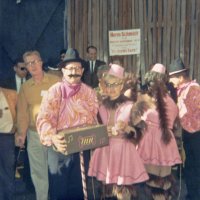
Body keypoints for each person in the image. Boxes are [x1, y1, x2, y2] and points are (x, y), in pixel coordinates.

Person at [36, 48, 98, 200]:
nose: (73, 72)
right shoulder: (54, 91)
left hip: (82, 148)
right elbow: (44, 119)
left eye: (77, 68)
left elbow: (94, 119)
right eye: (69, 68)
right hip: (60, 148)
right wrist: (52, 137)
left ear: (82, 70)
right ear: (62, 70)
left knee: (79, 190)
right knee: (60, 190)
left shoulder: (89, 93)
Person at [88, 64, 149, 200]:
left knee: (124, 192)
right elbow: (93, 128)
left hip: (124, 153)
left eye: (115, 84)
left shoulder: (131, 106)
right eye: (108, 84)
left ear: (121, 86)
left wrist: (127, 129)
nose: (111, 88)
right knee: (107, 191)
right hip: (105, 152)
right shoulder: (100, 106)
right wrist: (103, 132)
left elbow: (140, 130)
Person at [130, 63, 182, 199]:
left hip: (150, 141)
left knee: (151, 180)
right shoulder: (171, 101)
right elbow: (174, 121)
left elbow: (134, 121)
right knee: (164, 179)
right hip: (166, 140)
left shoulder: (145, 100)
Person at [15, 50, 60, 200]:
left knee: (56, 170)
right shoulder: (26, 87)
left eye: (34, 61)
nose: (32, 66)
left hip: (55, 134)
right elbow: (22, 113)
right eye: (28, 63)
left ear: (41, 62)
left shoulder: (56, 82)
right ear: (26, 67)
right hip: (34, 136)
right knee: (38, 172)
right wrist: (21, 134)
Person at [168, 58, 200, 200]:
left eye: (172, 78)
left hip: (197, 135)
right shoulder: (182, 90)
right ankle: (193, 194)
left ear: (180, 77)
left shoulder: (194, 89)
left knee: (197, 166)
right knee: (190, 167)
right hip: (189, 134)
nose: (171, 81)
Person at [0, 85, 17, 200]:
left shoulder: (11, 94)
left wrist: (20, 133)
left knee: (8, 169)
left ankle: (8, 197)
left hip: (6, 137)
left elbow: (21, 114)